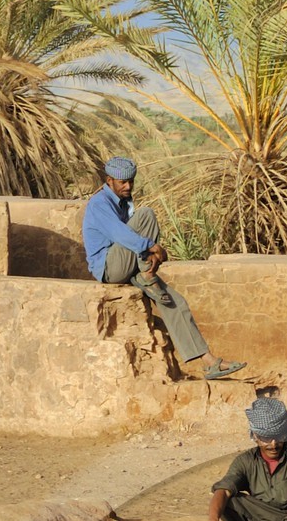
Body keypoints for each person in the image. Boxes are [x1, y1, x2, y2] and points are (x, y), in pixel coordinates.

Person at [82, 155, 245, 382]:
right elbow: (121, 235)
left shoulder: (124, 202)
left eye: (131, 181)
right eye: (123, 182)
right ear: (109, 181)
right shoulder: (99, 203)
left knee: (175, 302)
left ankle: (210, 362)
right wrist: (152, 247)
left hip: (128, 263)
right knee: (146, 215)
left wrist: (149, 252)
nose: (128, 186)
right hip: (110, 268)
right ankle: (147, 272)